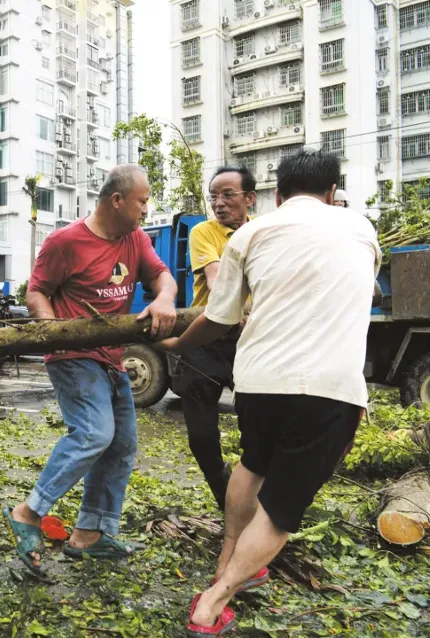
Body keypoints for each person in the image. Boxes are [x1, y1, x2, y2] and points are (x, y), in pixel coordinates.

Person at [159, 150, 379, 635]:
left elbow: (218, 317)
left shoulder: (251, 234)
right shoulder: (362, 229)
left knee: (253, 464)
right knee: (281, 508)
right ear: (332, 194)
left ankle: (228, 561)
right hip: (330, 388)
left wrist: (176, 342)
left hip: (258, 381)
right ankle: (214, 601)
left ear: (276, 196)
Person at [3, 165, 178, 574]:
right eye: (141, 200)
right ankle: (29, 511)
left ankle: (90, 535)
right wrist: (52, 329)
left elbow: (161, 276)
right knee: (94, 433)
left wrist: (165, 299)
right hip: (71, 356)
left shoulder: (134, 238)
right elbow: (36, 292)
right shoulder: (65, 241)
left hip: (111, 358)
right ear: (117, 200)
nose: (145, 207)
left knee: (121, 446)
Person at [172, 167, 255, 511]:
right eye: (214, 197)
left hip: (249, 342)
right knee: (201, 435)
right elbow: (219, 282)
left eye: (228, 195)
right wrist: (243, 306)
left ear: (250, 198)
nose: (219, 204)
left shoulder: (261, 232)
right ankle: (222, 491)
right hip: (206, 338)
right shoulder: (204, 232)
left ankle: (253, 494)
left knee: (258, 423)